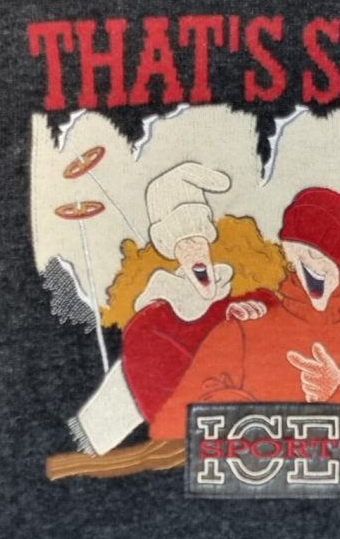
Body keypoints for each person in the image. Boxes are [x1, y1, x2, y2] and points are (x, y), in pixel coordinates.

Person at [151, 187, 340, 443]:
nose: (307, 266)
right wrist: (247, 416)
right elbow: (170, 424)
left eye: (317, 254)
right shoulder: (245, 328)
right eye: (298, 256)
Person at [107, 162, 283, 422]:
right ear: (170, 250)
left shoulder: (238, 296)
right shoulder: (149, 324)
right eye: (183, 243)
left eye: (198, 238)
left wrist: (259, 315)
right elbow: (164, 406)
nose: (194, 250)